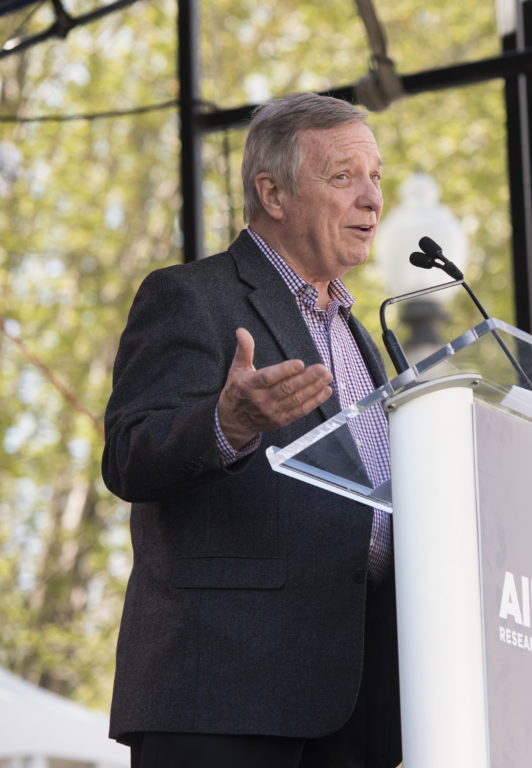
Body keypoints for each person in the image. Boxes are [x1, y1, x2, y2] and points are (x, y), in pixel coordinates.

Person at [101, 93, 401, 768]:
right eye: (343, 176)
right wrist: (225, 423)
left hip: (354, 701)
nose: (372, 199)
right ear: (273, 192)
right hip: (227, 689)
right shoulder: (193, 297)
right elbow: (130, 456)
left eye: (376, 176)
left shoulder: (362, 338)